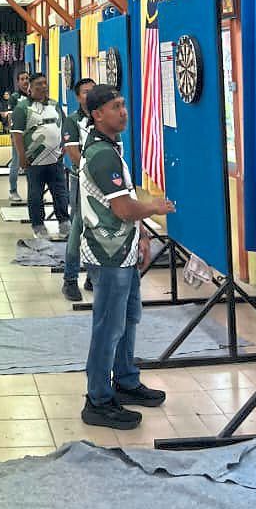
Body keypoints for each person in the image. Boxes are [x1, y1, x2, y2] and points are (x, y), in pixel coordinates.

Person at [80, 84, 174, 431]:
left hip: (123, 248)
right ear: (97, 114)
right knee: (109, 326)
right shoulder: (102, 155)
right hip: (108, 253)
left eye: (123, 104)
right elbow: (123, 208)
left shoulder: (110, 147)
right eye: (115, 106)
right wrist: (155, 208)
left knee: (129, 317)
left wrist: (143, 233)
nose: (123, 111)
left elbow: (123, 198)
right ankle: (98, 399)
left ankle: (126, 380)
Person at [11, 72, 70, 240]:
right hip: (34, 161)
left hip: (56, 160)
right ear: (30, 87)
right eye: (38, 84)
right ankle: (38, 225)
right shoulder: (22, 108)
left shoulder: (55, 105)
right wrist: (22, 157)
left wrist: (65, 145)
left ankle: (64, 222)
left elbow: (64, 127)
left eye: (45, 83)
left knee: (60, 192)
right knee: (35, 194)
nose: (43, 87)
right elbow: (17, 135)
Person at [61, 77, 96, 303]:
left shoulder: (103, 117)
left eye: (93, 91)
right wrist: (93, 171)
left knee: (98, 230)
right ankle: (70, 279)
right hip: (81, 181)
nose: (89, 95)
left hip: (103, 187)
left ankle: (93, 276)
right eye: (85, 92)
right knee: (77, 230)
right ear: (77, 97)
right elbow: (73, 154)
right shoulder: (73, 121)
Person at [7, 70, 30, 204]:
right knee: (16, 163)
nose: (25, 81)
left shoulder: (33, 96)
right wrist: (13, 133)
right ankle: (13, 191)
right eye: (22, 79)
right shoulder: (14, 97)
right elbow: (10, 117)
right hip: (18, 135)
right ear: (18, 81)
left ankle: (34, 191)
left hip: (32, 136)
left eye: (27, 78)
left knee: (32, 166)